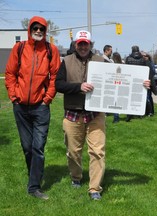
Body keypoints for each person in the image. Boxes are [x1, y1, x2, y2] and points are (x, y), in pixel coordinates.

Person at [5, 16, 61, 200]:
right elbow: (10, 73)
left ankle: (34, 187)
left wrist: (47, 99)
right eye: (35, 28)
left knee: (38, 147)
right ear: (30, 29)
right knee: (27, 146)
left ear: (45, 31)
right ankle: (34, 174)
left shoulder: (51, 50)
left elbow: (54, 77)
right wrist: (13, 96)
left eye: (42, 29)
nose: (38, 31)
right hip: (20, 106)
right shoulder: (19, 48)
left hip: (40, 108)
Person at [55, 30, 107, 201]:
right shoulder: (66, 61)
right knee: (73, 151)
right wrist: (79, 87)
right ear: (76, 45)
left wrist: (141, 84)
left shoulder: (101, 61)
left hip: (95, 114)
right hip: (73, 112)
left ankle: (94, 188)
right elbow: (59, 85)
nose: (83, 46)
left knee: (97, 151)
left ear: (91, 44)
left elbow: (118, 81)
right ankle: (76, 177)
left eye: (86, 43)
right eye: (80, 44)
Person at [141, 51, 157, 116]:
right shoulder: (148, 63)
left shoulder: (149, 63)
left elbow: (153, 72)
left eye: (145, 56)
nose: (143, 57)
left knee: (148, 97)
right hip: (148, 82)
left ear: (147, 57)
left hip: (148, 82)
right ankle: (150, 111)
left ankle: (150, 112)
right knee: (149, 97)